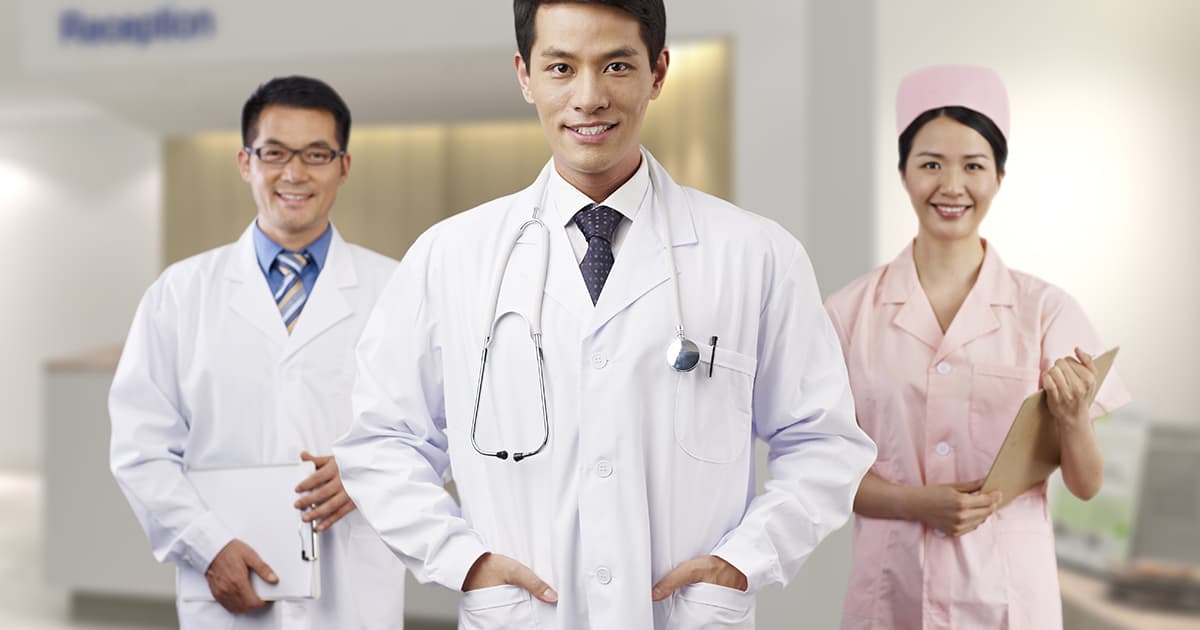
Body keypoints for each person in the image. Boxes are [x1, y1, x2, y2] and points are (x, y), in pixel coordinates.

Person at [332, 1, 876, 628]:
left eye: (616, 65)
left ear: (658, 72)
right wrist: (466, 562)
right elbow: (382, 441)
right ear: (524, 75)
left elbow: (823, 440)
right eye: (561, 67)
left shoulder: (756, 253)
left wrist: (744, 561)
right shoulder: (450, 256)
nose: (589, 97)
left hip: (685, 615)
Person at [825, 65, 1132, 630]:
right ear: (903, 172)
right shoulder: (846, 315)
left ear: (999, 175)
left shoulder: (1047, 311)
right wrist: (916, 503)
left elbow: (1087, 486)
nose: (952, 186)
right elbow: (823, 470)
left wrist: (1071, 418)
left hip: (1010, 599)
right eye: (931, 164)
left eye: (973, 165)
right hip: (893, 593)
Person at [109, 75, 407, 629]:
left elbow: (442, 429)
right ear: (246, 162)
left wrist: (370, 470)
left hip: (355, 591)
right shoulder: (180, 293)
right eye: (275, 153)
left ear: (343, 166)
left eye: (316, 154)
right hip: (228, 583)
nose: (294, 173)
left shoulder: (396, 289)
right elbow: (140, 449)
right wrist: (208, 547)